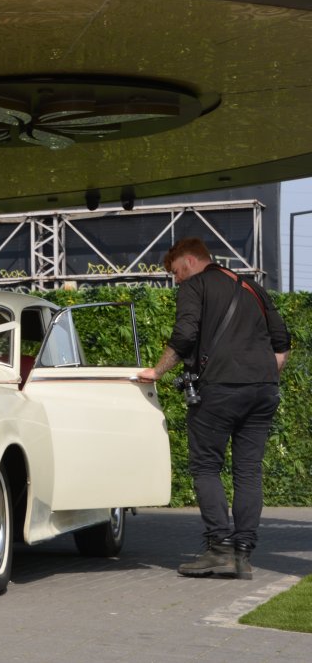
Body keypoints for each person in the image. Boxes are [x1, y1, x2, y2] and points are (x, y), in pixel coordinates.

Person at [138, 237, 289, 580]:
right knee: (248, 471)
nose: (176, 279)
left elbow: (185, 335)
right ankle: (243, 555)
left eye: (176, 271)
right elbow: (282, 344)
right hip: (264, 389)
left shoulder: (195, 286)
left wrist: (156, 372)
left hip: (220, 388)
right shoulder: (252, 287)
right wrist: (261, 377)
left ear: (189, 261)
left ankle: (219, 548)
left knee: (206, 466)